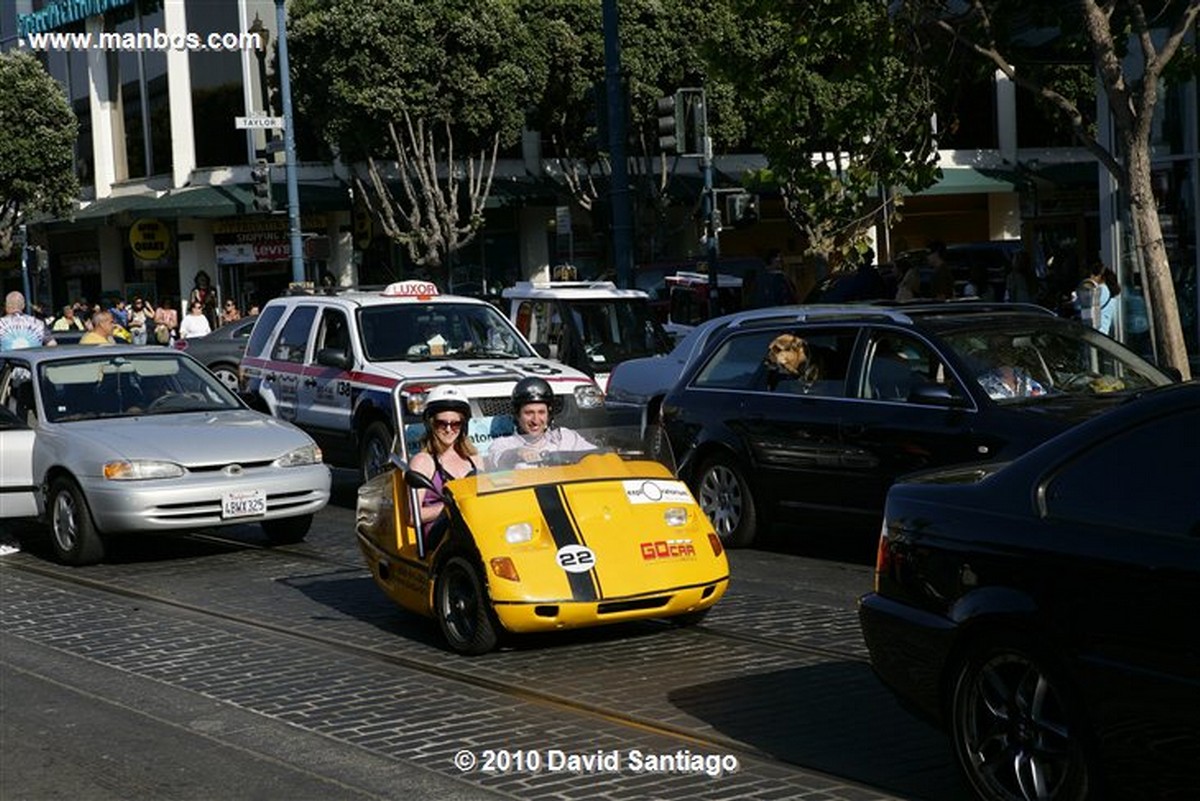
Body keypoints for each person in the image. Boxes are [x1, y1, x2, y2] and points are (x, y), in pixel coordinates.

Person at [409, 385, 480, 549]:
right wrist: (453, 507)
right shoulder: (423, 461)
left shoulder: (475, 459)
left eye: (455, 424)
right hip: (442, 535)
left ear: (464, 425)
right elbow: (413, 516)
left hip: (475, 528)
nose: (449, 429)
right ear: (431, 424)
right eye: (442, 424)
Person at [486, 377, 596, 470]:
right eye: (529, 413)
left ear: (549, 414)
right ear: (517, 415)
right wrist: (517, 453)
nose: (535, 420)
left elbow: (597, 455)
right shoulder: (503, 444)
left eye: (541, 412)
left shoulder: (565, 437)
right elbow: (500, 458)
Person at [1074, 257, 1112, 334]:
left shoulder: (1099, 290)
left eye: (1094, 273)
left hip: (1095, 333)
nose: (1091, 276)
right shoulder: (1105, 290)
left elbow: (1082, 307)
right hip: (1100, 333)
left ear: (1101, 276)